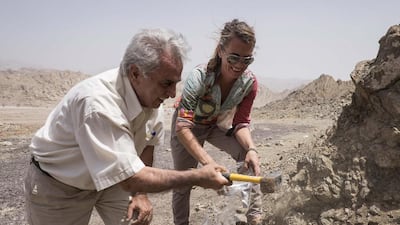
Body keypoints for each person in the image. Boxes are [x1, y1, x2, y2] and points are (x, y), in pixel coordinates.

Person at [24, 28, 230, 225]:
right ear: (135, 73)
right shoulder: (98, 105)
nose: (172, 94)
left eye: (176, 83)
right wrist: (197, 177)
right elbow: (131, 178)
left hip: (114, 179)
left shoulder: (150, 98)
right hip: (61, 184)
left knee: (136, 220)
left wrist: (140, 194)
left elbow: (146, 147)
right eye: (166, 83)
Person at [171, 19, 263, 225]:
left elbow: (240, 123)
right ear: (221, 50)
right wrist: (209, 164)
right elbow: (182, 126)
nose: (240, 65)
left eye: (247, 60)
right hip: (187, 129)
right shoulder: (199, 77)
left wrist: (252, 149)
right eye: (234, 57)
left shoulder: (250, 83)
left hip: (212, 126)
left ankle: (253, 217)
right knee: (183, 181)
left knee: (246, 156)